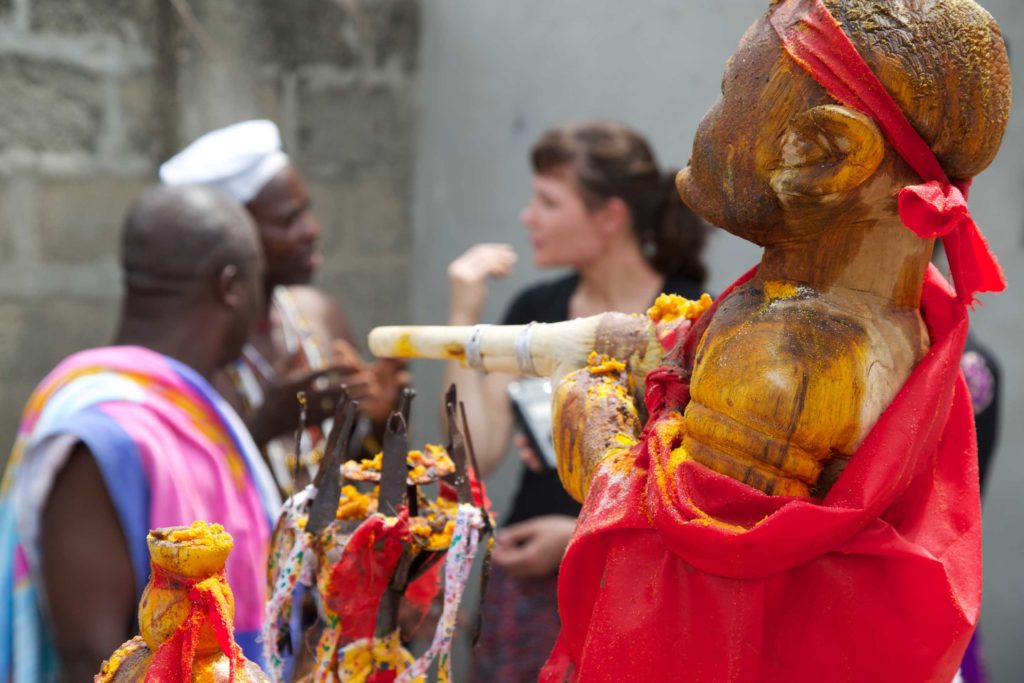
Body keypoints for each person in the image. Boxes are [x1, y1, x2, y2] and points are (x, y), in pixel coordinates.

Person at [541, 0, 1009, 680]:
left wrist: (589, 402)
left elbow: (683, 575)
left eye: (731, 91)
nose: (709, 121)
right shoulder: (907, 313)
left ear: (827, 154)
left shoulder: (785, 355)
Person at [444, 120, 710, 682]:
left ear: (609, 217)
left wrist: (573, 535)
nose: (528, 217)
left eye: (547, 201)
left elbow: (704, 485)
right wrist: (462, 322)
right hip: (527, 599)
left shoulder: (689, 319)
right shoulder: (534, 309)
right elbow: (476, 453)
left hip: (641, 584)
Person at [0, 186, 281, 682]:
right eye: (263, 280)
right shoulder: (102, 435)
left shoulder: (195, 410)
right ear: (232, 286)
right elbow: (91, 653)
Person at [160, 120, 408, 493]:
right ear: (239, 235)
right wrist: (266, 424)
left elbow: (353, 478)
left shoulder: (319, 314)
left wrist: (381, 420)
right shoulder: (193, 351)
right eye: (289, 219)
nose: (312, 231)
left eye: (305, 212)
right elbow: (179, 490)